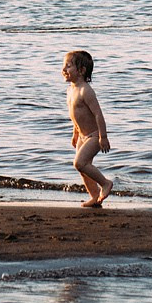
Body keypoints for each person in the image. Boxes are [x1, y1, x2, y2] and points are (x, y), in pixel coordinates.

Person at [63, 48, 113, 208]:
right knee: (83, 168)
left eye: (68, 66)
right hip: (82, 135)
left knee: (79, 163)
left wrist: (103, 137)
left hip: (94, 135)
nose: (64, 69)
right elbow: (76, 115)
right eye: (64, 65)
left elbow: (98, 114)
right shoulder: (71, 90)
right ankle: (94, 196)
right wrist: (75, 133)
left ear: (81, 71)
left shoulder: (86, 91)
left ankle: (105, 183)